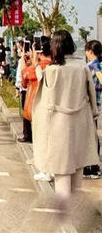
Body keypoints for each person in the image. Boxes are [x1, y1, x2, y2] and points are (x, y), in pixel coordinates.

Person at [32, 31, 99, 208]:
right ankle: (75, 213)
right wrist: (93, 113)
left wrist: (37, 68)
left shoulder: (53, 70)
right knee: (77, 170)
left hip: (59, 127)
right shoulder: (81, 67)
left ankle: (65, 220)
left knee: (62, 172)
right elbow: (91, 96)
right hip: (80, 123)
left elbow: (46, 100)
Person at [84, 40, 102, 179]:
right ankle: (94, 167)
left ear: (90, 51)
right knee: (93, 135)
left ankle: (90, 166)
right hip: (97, 104)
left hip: (87, 105)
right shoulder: (100, 66)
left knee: (87, 136)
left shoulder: (90, 67)